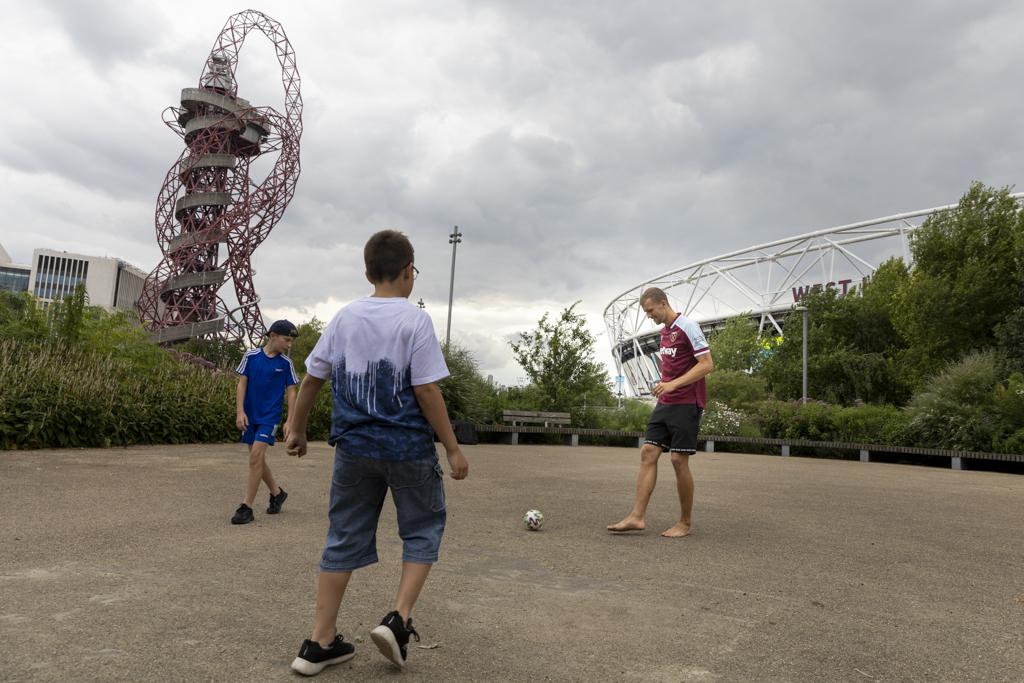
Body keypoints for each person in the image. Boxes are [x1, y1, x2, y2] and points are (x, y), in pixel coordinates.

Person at [284, 230, 469, 676]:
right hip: (407, 448)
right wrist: (453, 448)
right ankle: (398, 619)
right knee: (423, 528)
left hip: (353, 449)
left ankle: (319, 642)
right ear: (409, 271)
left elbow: (312, 380)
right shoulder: (415, 320)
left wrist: (296, 428)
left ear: (367, 273)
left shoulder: (345, 318)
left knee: (344, 534)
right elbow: (426, 389)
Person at [608, 287, 713, 538]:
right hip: (666, 402)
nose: (649, 316)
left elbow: (707, 364)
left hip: (687, 402)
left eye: (650, 310)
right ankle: (636, 517)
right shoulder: (664, 333)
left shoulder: (688, 326)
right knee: (648, 452)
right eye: (645, 312)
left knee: (678, 460)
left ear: (663, 303)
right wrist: (665, 384)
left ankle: (684, 523)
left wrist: (674, 384)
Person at [231, 320, 300, 525]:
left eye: (292, 341)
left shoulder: (286, 364)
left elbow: (292, 391)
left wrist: (291, 420)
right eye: (287, 340)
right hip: (250, 416)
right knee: (257, 459)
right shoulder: (250, 356)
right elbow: (242, 384)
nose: (289, 345)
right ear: (272, 336)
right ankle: (277, 493)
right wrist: (240, 411)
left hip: (270, 418)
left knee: (255, 457)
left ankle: (246, 507)